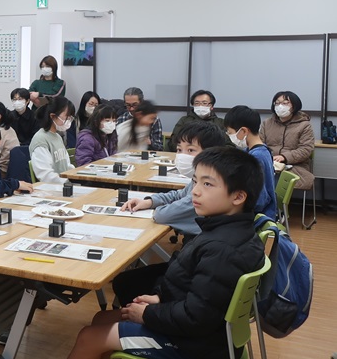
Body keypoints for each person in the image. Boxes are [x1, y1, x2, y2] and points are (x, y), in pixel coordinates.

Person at [69, 147, 264, 359]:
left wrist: (148, 314)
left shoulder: (223, 249)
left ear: (238, 196)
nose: (195, 191)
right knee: (101, 319)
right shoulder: (227, 231)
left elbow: (196, 318)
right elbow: (192, 289)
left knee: (89, 337)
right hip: (202, 332)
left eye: (207, 184)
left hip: (194, 345)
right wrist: (159, 298)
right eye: (195, 182)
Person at [119, 122, 228, 237]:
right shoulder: (198, 179)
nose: (182, 156)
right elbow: (179, 195)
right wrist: (150, 202)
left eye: (191, 150)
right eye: (179, 150)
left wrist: (159, 208)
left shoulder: (208, 188)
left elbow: (162, 215)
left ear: (210, 152)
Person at [225, 105, 278, 220]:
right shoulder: (258, 150)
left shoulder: (257, 156)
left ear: (244, 131)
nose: (229, 136)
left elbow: (259, 199)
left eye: (230, 132)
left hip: (258, 216)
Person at [260, 91, 315, 191]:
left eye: (285, 103)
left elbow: (306, 150)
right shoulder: (266, 123)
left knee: (273, 180)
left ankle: (272, 201)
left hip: (295, 167)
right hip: (269, 163)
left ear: (294, 106)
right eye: (277, 103)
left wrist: (284, 157)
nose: (280, 106)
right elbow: (260, 145)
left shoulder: (304, 125)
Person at [29, 97, 76, 184]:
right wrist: (68, 182)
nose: (69, 121)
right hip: (52, 188)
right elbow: (46, 176)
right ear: (53, 116)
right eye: (66, 117)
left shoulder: (57, 137)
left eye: (70, 118)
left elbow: (66, 165)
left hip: (64, 185)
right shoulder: (40, 140)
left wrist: (76, 176)